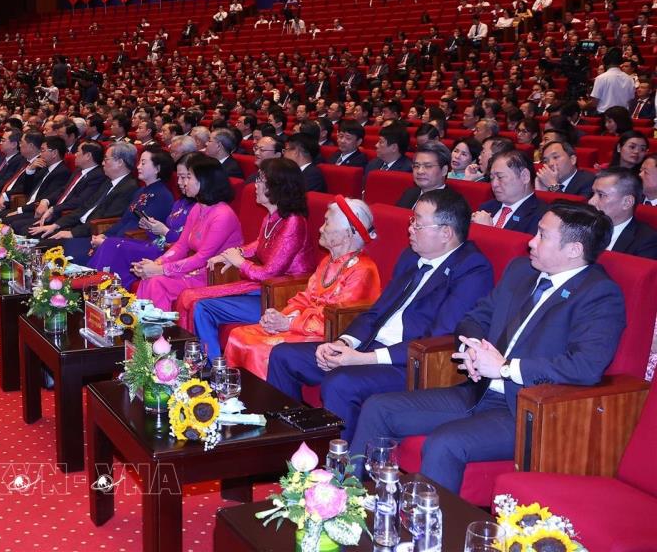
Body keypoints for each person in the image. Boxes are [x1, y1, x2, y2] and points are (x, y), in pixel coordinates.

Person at [349, 202, 625, 493]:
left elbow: (585, 366)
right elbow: (474, 319)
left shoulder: (599, 294)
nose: (531, 242)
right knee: (378, 408)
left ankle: (431, 523)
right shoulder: (521, 271)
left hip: (528, 411)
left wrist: (505, 368)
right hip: (478, 390)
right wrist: (473, 348)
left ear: (574, 250)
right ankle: (351, 501)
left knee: (444, 443)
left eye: (543, 236)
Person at [267, 189, 494, 440]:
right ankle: (284, 443)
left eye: (418, 224)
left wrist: (362, 359)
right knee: (284, 356)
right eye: (412, 221)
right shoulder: (411, 257)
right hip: (370, 346)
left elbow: (442, 336)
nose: (410, 229)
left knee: (340, 382)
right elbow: (376, 312)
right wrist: (343, 343)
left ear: (446, 233)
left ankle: (342, 462)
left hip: (411, 363)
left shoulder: (472, 269)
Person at [219, 197, 381, 377]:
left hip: (329, 339)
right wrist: (281, 316)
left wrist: (288, 323)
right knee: (239, 335)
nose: (320, 228)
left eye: (327, 223)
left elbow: (340, 321)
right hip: (302, 326)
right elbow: (306, 297)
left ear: (347, 233)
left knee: (259, 349)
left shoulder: (363, 270)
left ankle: (259, 395)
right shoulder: (328, 261)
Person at [177, 158, 315, 334]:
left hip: (283, 294)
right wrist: (233, 253)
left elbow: (269, 273)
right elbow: (259, 244)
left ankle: (204, 353)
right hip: (266, 289)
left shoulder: (294, 221)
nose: (255, 185)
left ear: (277, 185)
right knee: (191, 298)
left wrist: (240, 262)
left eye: (260, 180)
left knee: (200, 305)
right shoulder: (273, 216)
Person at [133, 155, 243, 310]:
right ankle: (142, 324)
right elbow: (181, 246)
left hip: (214, 276)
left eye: (189, 178)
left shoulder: (223, 215)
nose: (183, 183)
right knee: (150, 278)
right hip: (194, 269)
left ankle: (159, 325)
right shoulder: (198, 207)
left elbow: (203, 258)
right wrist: (156, 263)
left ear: (204, 181)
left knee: (157, 281)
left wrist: (160, 270)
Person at [90, 155, 191, 289]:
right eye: (179, 177)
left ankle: (105, 288)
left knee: (113, 245)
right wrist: (152, 228)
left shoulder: (166, 196)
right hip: (157, 243)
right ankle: (94, 285)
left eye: (185, 177)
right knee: (110, 243)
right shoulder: (179, 202)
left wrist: (163, 231)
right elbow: (125, 220)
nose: (179, 182)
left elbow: (185, 242)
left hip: (167, 251)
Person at [31, 142, 140, 242]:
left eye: (106, 159)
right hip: (78, 226)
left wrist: (72, 233)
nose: (102, 163)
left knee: (40, 242)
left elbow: (105, 220)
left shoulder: (129, 188)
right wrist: (56, 225)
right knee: (34, 234)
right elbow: (85, 207)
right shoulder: (108, 181)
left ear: (119, 162)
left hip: (92, 235)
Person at [471, 149, 545, 235]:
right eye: (491, 178)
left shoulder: (542, 217)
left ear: (524, 176)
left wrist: (488, 231)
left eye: (500, 177)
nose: (494, 184)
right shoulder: (487, 207)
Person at [589, 167, 657, 258]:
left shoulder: (647, 241)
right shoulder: (581, 225)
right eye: (593, 193)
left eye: (601, 195)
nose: (591, 202)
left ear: (627, 202)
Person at [396, 140, 455, 208]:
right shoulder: (410, 193)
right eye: (416, 166)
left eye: (428, 166)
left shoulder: (451, 204)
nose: (420, 171)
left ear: (444, 170)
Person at [589, 48, 635, 113]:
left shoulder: (601, 78)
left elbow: (595, 102)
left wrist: (584, 105)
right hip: (623, 115)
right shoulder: (629, 79)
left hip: (605, 115)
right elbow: (631, 100)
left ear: (605, 61)